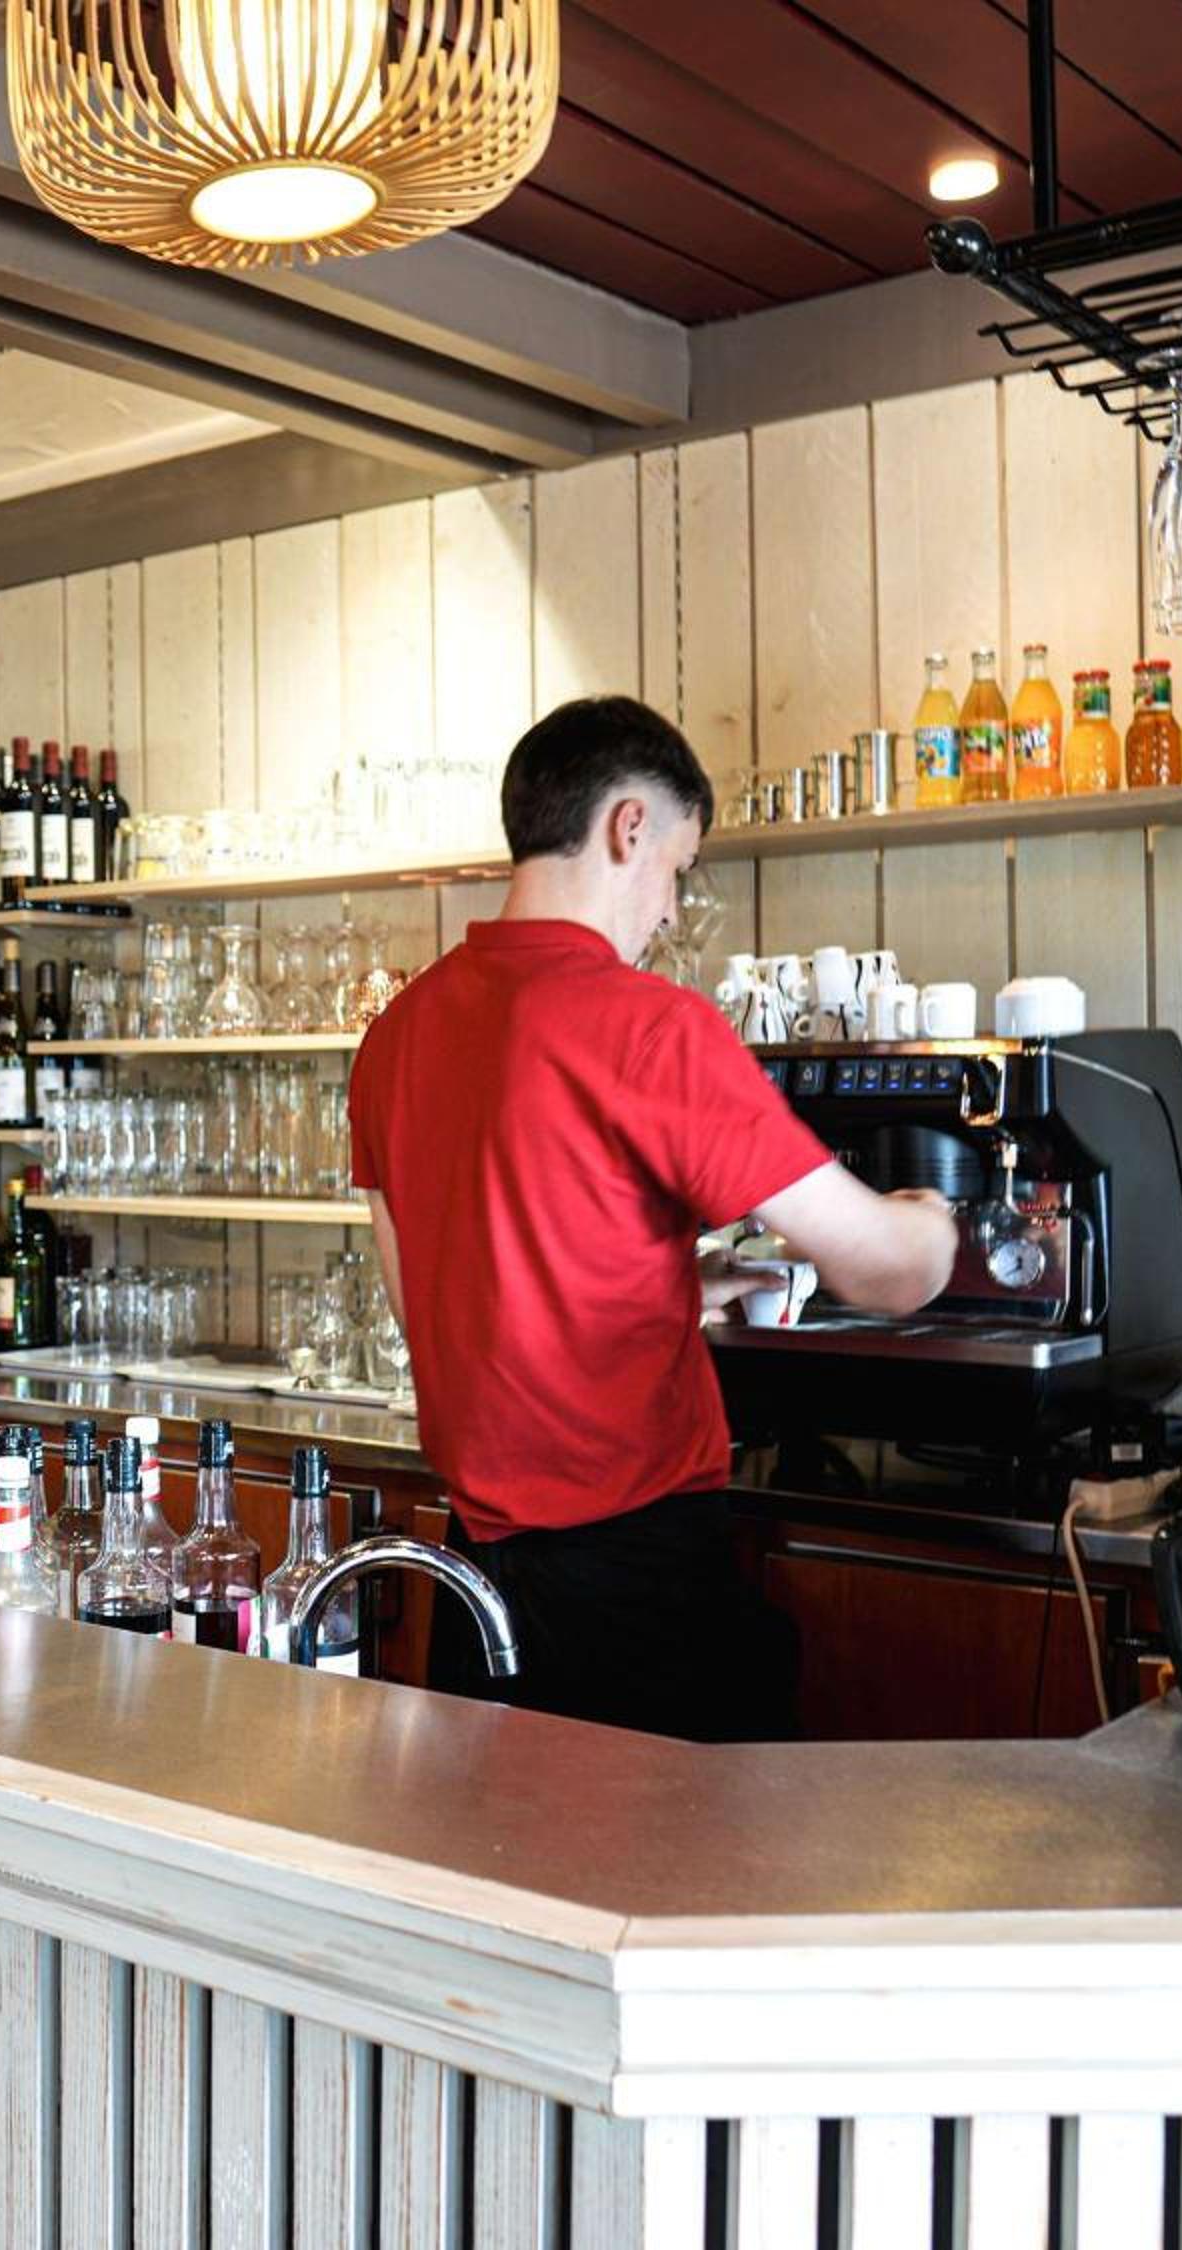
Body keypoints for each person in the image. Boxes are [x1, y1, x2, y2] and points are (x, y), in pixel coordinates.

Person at [346, 699, 958, 1742]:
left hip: (478, 1587)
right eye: (678, 868)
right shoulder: (652, 1028)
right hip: (636, 1589)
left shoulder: (396, 1034)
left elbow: (439, 1307)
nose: (671, 910)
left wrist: (670, 1283)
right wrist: (935, 1218)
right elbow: (887, 1273)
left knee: (497, 1843)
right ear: (628, 827)